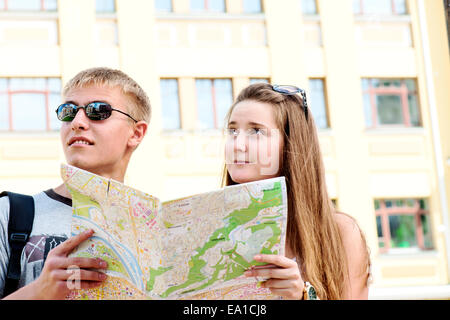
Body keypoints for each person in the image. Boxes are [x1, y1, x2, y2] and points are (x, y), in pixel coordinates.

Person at [0, 67, 150, 299]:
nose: (77, 122)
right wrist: (39, 290)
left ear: (136, 133)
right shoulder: (9, 214)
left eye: (98, 111)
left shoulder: (152, 225)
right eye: (68, 111)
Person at [222, 83, 371, 300]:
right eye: (233, 130)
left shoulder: (340, 234)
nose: (237, 144)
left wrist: (302, 296)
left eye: (255, 131)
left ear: (291, 145)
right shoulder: (215, 232)